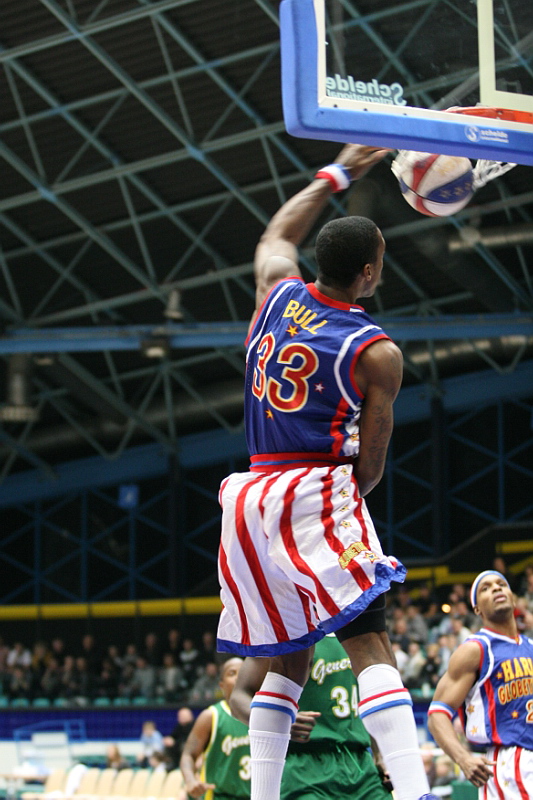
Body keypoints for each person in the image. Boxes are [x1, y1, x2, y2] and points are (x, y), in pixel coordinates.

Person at [216, 143, 435, 800]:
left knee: (287, 654)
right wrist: (335, 510)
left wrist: (339, 172)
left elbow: (276, 234)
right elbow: (369, 467)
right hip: (311, 487)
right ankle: (415, 790)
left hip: (247, 497)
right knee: (370, 640)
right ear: (368, 274)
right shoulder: (375, 352)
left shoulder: (275, 294)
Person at [231, 633, 392, 800]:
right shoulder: (286, 630)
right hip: (305, 766)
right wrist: (278, 722)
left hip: (360, 763)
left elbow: (369, 700)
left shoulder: (357, 629)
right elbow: (238, 697)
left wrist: (379, 754)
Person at [427, 569, 533, 796]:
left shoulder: (530, 647)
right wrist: (462, 757)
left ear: (513, 597)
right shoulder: (475, 649)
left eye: (501, 584)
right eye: (486, 588)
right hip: (512, 760)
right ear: (477, 609)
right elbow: (437, 714)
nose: (496, 588)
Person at [180, 658, 248, 799]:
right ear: (221, 685)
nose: (238, 677)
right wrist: (190, 780)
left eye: (243, 672)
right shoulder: (211, 716)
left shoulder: (263, 715)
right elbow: (188, 755)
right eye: (232, 673)